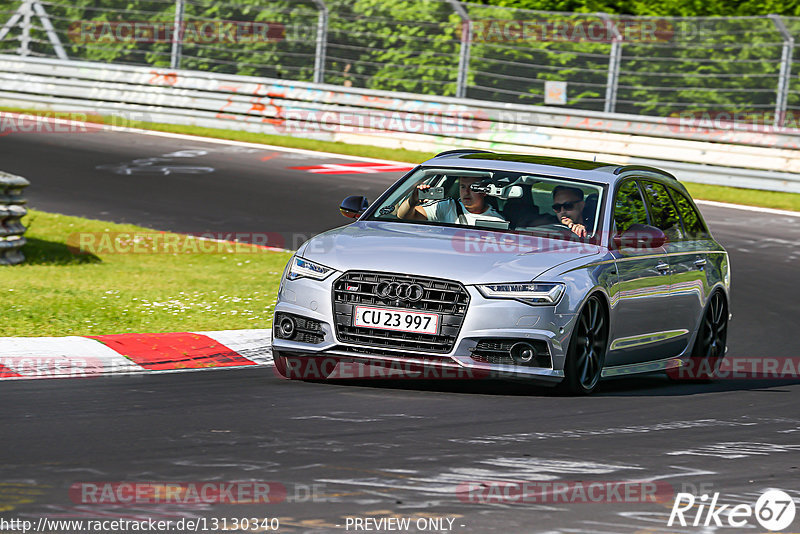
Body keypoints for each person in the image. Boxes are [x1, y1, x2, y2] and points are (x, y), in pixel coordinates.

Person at [397, 176, 506, 226]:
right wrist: (413, 200)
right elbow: (404, 216)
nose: (466, 192)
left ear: (484, 191)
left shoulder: (497, 221)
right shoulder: (448, 206)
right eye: (462, 187)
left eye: (472, 187)